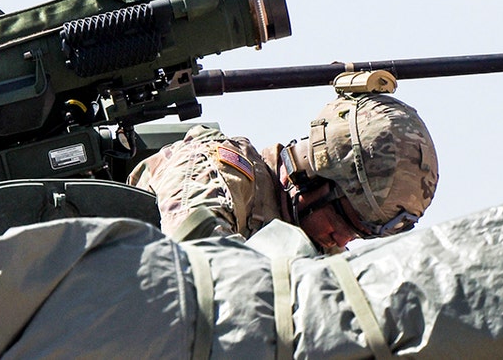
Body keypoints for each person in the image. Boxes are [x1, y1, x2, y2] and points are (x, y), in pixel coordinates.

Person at [127, 75, 439, 253]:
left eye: (359, 236)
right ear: (313, 172)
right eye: (343, 222)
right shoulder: (218, 169)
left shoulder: (316, 254)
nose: (341, 240)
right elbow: (196, 256)